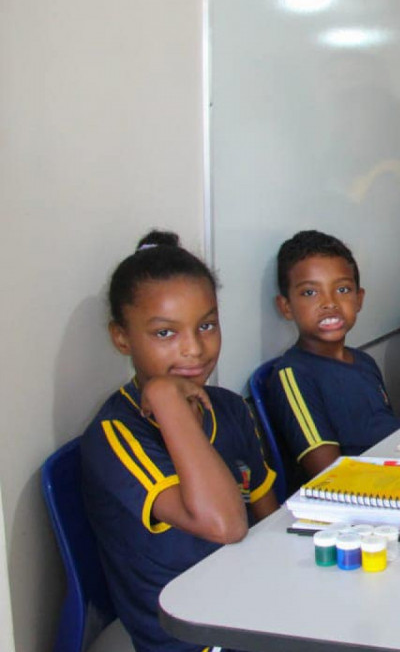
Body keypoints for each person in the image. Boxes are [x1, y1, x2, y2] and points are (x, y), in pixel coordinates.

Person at [81, 231, 278, 652]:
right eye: (165, 334)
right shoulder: (117, 434)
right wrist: (165, 397)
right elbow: (223, 524)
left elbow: (267, 517)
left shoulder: (228, 408)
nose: (194, 349)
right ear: (122, 338)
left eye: (206, 325)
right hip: (187, 636)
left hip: (251, 605)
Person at [263, 230, 400, 479]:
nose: (330, 303)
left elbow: (385, 431)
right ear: (285, 307)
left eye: (343, 290)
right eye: (309, 293)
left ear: (359, 299)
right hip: (361, 496)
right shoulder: (292, 375)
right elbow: (329, 474)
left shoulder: (365, 362)